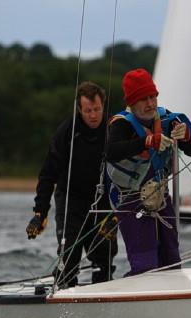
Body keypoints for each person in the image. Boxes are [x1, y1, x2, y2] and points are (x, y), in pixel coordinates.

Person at [106, 68, 191, 276]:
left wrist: (186, 137)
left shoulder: (167, 119)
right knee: (145, 264)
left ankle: (170, 300)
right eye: (143, 99)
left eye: (152, 97)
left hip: (160, 197)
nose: (150, 103)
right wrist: (147, 141)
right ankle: (131, 295)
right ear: (132, 103)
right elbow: (110, 152)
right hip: (129, 200)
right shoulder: (122, 124)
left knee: (171, 260)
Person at [26, 81, 117, 288]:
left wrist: (116, 213)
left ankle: (103, 297)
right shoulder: (67, 132)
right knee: (70, 256)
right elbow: (48, 173)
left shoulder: (113, 129)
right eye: (88, 111)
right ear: (79, 109)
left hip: (102, 202)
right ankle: (64, 292)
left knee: (104, 257)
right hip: (70, 199)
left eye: (97, 109)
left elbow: (128, 173)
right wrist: (40, 212)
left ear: (103, 106)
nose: (93, 115)